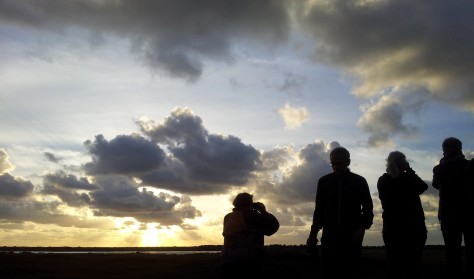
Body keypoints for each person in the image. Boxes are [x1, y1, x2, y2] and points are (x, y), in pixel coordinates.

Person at [307, 146, 374, 278]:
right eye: (333, 163)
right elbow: (319, 209)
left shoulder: (359, 181)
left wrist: (362, 227)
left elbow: (368, 208)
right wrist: (313, 233)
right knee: (329, 272)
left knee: (350, 271)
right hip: (329, 236)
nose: (336, 166)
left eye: (339, 163)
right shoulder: (324, 181)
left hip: (351, 236)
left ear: (348, 162)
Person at [377, 151, 428, 279]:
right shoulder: (389, 180)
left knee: (402, 268)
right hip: (406, 229)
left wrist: (406, 172)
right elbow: (422, 187)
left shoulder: (389, 180)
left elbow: (423, 187)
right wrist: (407, 172)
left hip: (403, 229)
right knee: (405, 268)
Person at [432, 137, 473, 277]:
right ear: (460, 149)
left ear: (445, 150)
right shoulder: (470, 165)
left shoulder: (439, 169)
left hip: (449, 215)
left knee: (452, 253)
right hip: (468, 213)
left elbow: (436, 184)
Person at [221, 192, 279, 278]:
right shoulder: (252, 215)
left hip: (227, 259)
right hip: (249, 260)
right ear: (250, 203)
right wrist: (263, 211)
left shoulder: (228, 217)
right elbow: (273, 227)